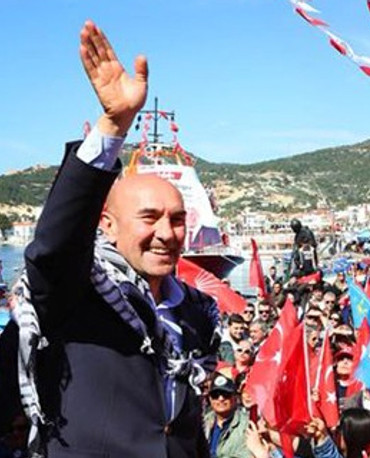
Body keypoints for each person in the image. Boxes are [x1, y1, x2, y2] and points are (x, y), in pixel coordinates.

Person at [9, 21, 220, 457]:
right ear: (106, 225)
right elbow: (54, 246)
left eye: (178, 219)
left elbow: (183, 424)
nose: (167, 233)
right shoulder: (76, 294)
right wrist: (114, 124)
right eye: (150, 218)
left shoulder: (197, 313)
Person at [203, 374, 251, 458]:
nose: (221, 399)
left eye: (226, 394)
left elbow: (247, 454)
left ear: (235, 397)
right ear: (210, 399)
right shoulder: (202, 423)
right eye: (215, 395)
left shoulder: (246, 424)